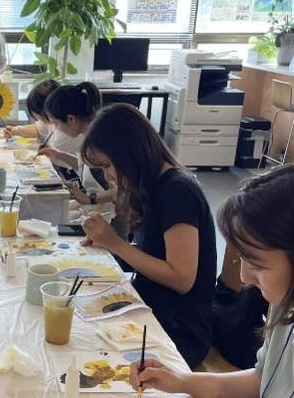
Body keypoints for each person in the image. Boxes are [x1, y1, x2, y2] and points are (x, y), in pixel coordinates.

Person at [129, 166, 294, 397]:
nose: (244, 277)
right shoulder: (284, 305)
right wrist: (180, 380)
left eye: (257, 264)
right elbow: (262, 379)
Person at [80, 103, 217, 368]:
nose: (108, 176)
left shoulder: (177, 191)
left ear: (129, 154)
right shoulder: (150, 185)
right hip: (151, 303)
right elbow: (151, 252)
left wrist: (116, 243)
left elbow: (182, 279)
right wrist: (110, 245)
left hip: (180, 325)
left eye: (108, 165)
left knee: (90, 355)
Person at [35, 82, 117, 209]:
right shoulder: (90, 137)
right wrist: (58, 155)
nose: (56, 129)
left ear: (70, 119)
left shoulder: (101, 142)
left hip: (110, 211)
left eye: (56, 124)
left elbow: (123, 190)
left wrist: (89, 199)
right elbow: (86, 166)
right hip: (95, 206)